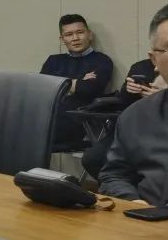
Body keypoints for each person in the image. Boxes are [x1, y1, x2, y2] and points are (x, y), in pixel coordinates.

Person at [99, 2, 168, 206]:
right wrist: (132, 201)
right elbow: (114, 176)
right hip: (149, 220)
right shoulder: (136, 116)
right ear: (154, 60)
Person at [80, 55, 164, 177]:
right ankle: (117, 187)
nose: (152, 54)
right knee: (93, 159)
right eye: (152, 50)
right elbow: (122, 101)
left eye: (159, 51)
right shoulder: (140, 67)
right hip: (134, 127)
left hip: (164, 130)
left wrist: (164, 97)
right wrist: (129, 90)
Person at [40, 14, 114, 145]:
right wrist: (78, 82)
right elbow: (42, 89)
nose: (75, 38)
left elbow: (89, 89)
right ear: (62, 39)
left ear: (89, 35)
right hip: (47, 120)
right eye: (69, 34)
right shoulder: (53, 61)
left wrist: (58, 84)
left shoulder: (101, 61)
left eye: (80, 32)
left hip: (79, 123)